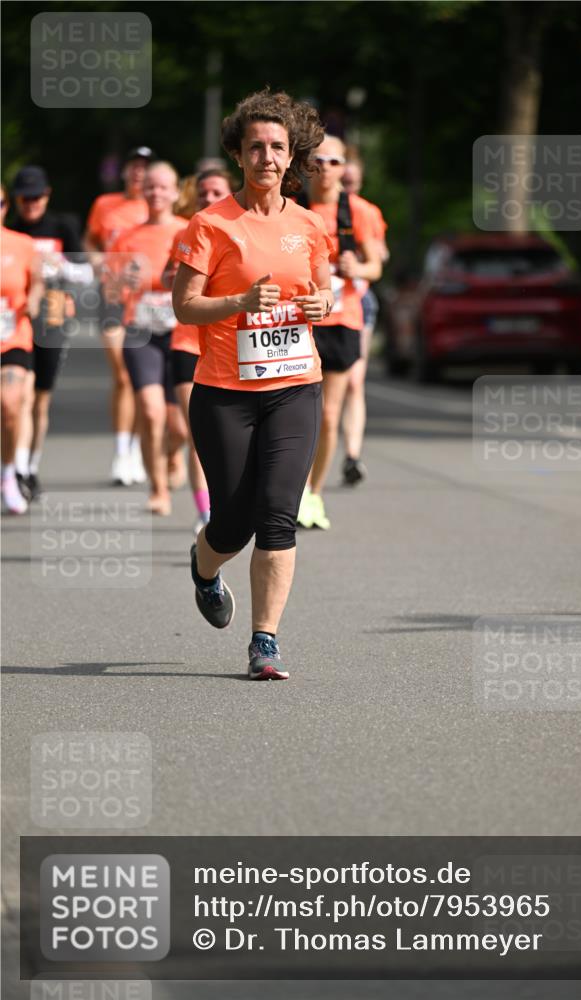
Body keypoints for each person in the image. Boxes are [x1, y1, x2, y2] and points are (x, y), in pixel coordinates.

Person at [172, 88, 334, 680]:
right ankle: (204, 567)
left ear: (292, 156)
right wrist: (239, 301)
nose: (267, 157)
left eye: (277, 147)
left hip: (295, 385)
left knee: (278, 515)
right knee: (234, 521)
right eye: (256, 147)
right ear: (239, 155)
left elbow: (325, 289)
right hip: (224, 393)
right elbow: (184, 306)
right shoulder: (210, 224)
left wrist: (321, 303)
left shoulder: (309, 224)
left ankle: (264, 642)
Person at [295, 136, 382, 529]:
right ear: (306, 165)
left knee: (328, 416)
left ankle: (313, 494)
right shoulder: (291, 207)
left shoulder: (360, 212)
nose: (326, 168)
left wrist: (356, 268)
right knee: (294, 414)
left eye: (334, 161)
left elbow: (374, 267)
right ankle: (290, 488)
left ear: (344, 167)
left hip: (342, 320)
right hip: (298, 324)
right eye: (318, 160)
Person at [107, 161, 188, 516]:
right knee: (152, 413)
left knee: (180, 426)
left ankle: (173, 453)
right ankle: (158, 489)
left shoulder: (188, 231)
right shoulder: (127, 237)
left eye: (163, 187)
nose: (156, 193)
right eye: (150, 186)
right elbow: (110, 291)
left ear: (176, 192)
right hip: (141, 332)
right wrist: (122, 279)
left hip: (181, 333)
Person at [162, 167, 233, 535]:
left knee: (229, 433)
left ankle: (230, 500)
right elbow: (166, 276)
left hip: (228, 344)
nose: (208, 198)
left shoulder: (243, 232)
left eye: (216, 192)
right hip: (188, 342)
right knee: (197, 430)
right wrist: (175, 279)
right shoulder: (186, 232)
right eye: (203, 192)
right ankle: (206, 512)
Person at [7, 165, 82, 501]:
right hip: (18, 320)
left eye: (36, 196)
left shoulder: (62, 226)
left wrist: (60, 265)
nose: (31, 203)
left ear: (47, 195)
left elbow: (86, 272)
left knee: (40, 399)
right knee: (20, 395)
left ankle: (31, 466)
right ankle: (18, 468)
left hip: (53, 316)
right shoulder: (11, 230)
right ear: (15, 200)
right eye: (25, 198)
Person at [84, 146, 153, 487]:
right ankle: (121, 451)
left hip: (143, 301)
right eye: (133, 166)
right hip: (112, 296)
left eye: (145, 167)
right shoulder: (105, 204)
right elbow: (90, 240)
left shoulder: (154, 206)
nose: (139, 172)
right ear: (124, 171)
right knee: (123, 374)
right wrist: (96, 260)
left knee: (140, 380)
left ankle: (139, 448)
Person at [340, 155, 389, 485]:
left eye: (352, 182)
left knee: (354, 382)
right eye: (342, 181)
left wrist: (360, 256)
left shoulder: (367, 212)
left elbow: (381, 255)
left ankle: (352, 456)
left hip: (358, 301)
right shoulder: (310, 207)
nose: (346, 188)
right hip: (320, 305)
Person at [1, 184, 43, 513]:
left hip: (12, 336)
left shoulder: (22, 243)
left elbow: (37, 281)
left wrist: (34, 299)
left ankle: (8, 474)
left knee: (10, 404)